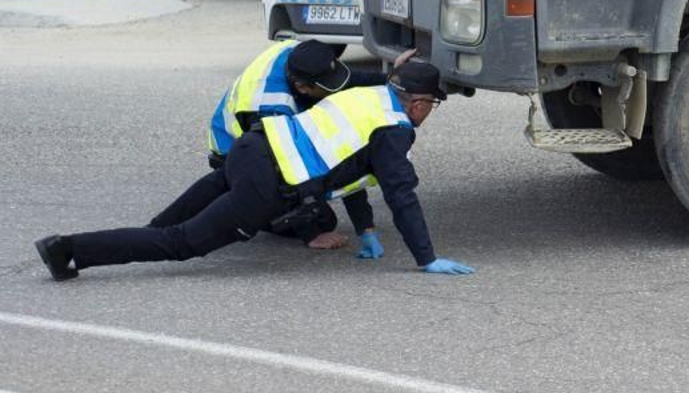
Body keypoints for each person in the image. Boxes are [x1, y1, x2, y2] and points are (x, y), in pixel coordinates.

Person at [35, 61, 474, 281]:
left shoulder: (370, 97)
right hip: (267, 183)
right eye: (431, 105)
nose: (428, 112)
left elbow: (347, 158)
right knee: (179, 243)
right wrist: (427, 258)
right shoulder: (395, 130)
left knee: (161, 227)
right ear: (418, 102)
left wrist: (368, 231)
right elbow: (401, 193)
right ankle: (69, 250)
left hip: (253, 148)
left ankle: (105, 243)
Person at [177, 39, 409, 250]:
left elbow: (343, 84)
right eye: (325, 88)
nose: (334, 91)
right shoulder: (272, 107)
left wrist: (391, 79)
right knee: (323, 220)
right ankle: (259, 215)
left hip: (253, 144)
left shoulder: (299, 55)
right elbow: (288, 175)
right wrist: (311, 234)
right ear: (302, 87)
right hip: (238, 155)